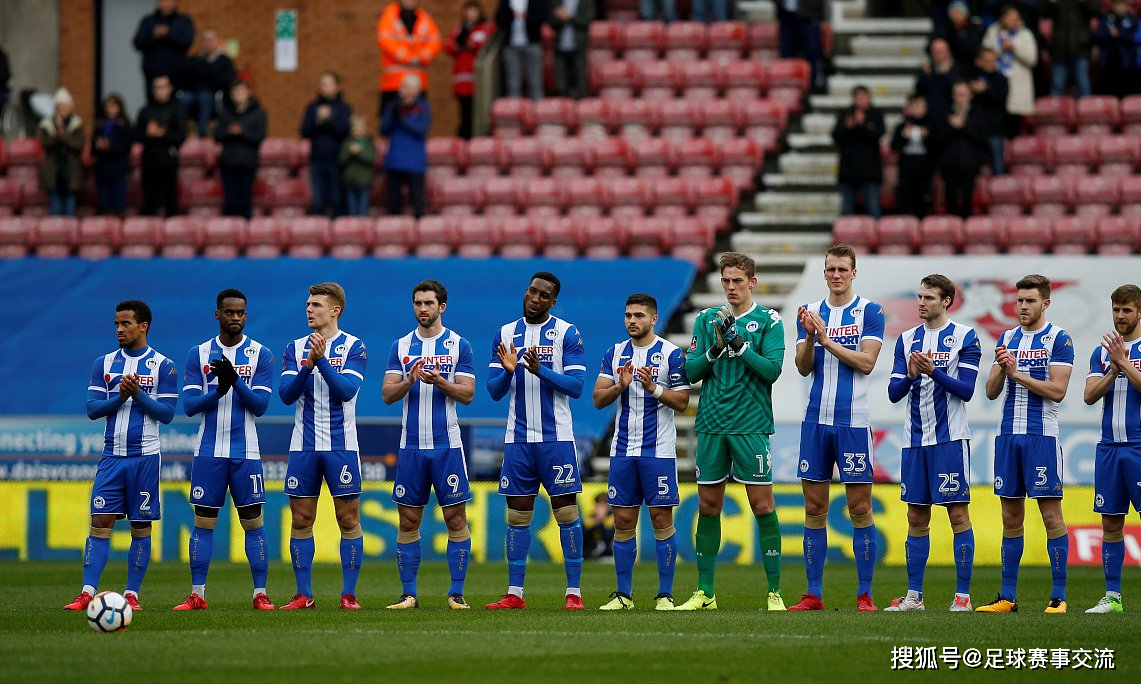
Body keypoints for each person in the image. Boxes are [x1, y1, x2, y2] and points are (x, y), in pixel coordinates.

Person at [675, 252, 786, 611]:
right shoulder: (708, 319)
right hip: (710, 424)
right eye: (726, 281)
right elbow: (690, 373)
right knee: (708, 506)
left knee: (762, 504)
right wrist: (716, 348)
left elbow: (771, 371)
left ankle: (774, 592)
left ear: (752, 282)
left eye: (738, 280)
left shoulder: (769, 320)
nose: (731, 287)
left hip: (751, 425)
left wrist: (738, 345)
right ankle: (705, 592)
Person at [787, 245, 884, 612]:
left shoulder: (870, 311)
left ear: (854, 272)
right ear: (824, 272)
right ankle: (813, 593)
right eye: (830, 269)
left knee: (859, 508)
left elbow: (867, 363)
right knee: (814, 506)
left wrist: (828, 340)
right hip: (816, 421)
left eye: (842, 269)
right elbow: (802, 366)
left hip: (853, 422)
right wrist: (812, 337)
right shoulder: (809, 313)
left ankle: (865, 594)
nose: (836, 274)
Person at [64, 300, 178, 613]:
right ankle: (87, 592)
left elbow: (167, 414)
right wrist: (121, 397)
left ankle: (132, 594)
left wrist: (138, 395)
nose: (119, 329)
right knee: (100, 522)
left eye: (126, 324)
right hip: (112, 457)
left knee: (141, 527)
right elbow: (92, 410)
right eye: (116, 324)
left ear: (143, 326)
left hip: (145, 458)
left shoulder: (163, 366)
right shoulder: (103, 364)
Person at [484, 272, 588, 610]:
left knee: (567, 512)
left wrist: (540, 369)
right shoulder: (505, 332)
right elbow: (494, 391)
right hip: (518, 440)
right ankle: (515, 593)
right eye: (532, 291)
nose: (535, 298)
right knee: (516, 517)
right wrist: (509, 370)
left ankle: (574, 593)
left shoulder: (567, 333)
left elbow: (576, 387)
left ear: (552, 302)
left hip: (556, 438)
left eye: (544, 295)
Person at [883, 275, 982, 612]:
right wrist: (911, 375)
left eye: (928, 297)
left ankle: (963, 596)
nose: (921, 302)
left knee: (957, 515)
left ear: (946, 301)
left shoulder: (965, 337)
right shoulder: (906, 339)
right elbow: (894, 393)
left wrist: (932, 371)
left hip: (950, 440)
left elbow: (967, 390)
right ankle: (914, 596)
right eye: (919, 296)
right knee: (915, 517)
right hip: (914, 441)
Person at [173, 289, 276, 612]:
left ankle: (260, 593)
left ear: (246, 315)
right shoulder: (199, 354)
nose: (235, 318)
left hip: (246, 452)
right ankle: (197, 594)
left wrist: (236, 382)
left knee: (253, 522)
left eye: (241, 313)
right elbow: (189, 406)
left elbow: (259, 406)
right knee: (203, 522)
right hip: (208, 452)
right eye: (229, 312)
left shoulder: (261, 354)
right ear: (217, 314)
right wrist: (220, 389)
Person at [977, 275, 1073, 614]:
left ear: (1045, 303)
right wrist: (1003, 370)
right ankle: (1007, 597)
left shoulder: (1058, 338)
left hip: (1041, 437)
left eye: (1029, 300)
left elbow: (1057, 390)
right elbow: (990, 392)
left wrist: (1018, 374)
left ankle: (1059, 597)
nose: (1021, 306)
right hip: (1008, 436)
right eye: (1018, 300)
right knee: (1010, 515)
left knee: (1051, 515)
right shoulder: (1006, 337)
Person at [381, 280, 477, 610]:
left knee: (455, 519)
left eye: (428, 303)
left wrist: (441, 382)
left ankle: (456, 593)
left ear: (442, 307)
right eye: (418, 303)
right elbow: (387, 395)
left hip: (447, 447)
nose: (423, 308)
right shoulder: (401, 346)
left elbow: (467, 395)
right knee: (408, 521)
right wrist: (409, 380)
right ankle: (409, 594)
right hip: (410, 447)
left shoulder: (458, 345)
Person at [593, 293, 691, 611]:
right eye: (628, 315)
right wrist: (619, 387)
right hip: (622, 449)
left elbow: (682, 401)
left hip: (658, 450)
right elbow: (597, 398)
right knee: (622, 520)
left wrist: (653, 388)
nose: (632, 321)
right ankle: (623, 595)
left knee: (662, 518)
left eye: (638, 315)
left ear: (653, 318)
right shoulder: (615, 353)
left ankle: (664, 594)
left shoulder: (671, 354)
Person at [278, 283, 369, 611]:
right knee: (301, 518)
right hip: (304, 445)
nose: (309, 309)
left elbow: (346, 390)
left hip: (341, 446)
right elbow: (286, 394)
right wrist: (308, 364)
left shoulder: (354, 347)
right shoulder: (294, 347)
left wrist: (322, 362)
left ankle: (348, 594)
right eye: (307, 304)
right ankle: (304, 594)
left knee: (348, 518)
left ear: (335, 310)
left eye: (316, 304)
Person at [1083, 285, 1141, 615]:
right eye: (1116, 309)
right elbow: (1090, 395)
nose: (1120, 316)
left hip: (1139, 447)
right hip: (1109, 449)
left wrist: (1125, 362)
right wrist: (1114, 368)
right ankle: (1113, 597)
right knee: (1111, 524)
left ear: (1139, 312)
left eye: (1127, 310)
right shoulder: (1101, 352)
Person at [376, 0, 442, 116]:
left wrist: (421, 57)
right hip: (393, 83)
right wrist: (407, 57)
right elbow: (385, 40)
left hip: (418, 82)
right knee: (389, 118)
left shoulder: (425, 18)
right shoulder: (389, 16)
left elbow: (435, 41)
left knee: (418, 118)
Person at [300, 72, 352, 218]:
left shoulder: (344, 108)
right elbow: (304, 131)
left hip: (337, 159)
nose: (324, 87)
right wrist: (318, 120)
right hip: (317, 159)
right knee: (318, 200)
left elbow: (345, 131)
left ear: (338, 87)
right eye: (322, 83)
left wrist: (329, 119)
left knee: (336, 199)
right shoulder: (313, 107)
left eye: (328, 83)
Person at [135, 75, 187, 217]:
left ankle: (172, 232)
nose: (159, 91)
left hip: (168, 158)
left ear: (169, 88)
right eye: (156, 87)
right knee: (149, 199)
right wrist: (148, 134)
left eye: (162, 87)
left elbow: (181, 136)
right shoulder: (145, 110)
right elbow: (136, 135)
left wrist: (163, 134)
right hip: (149, 158)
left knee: (170, 198)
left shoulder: (177, 110)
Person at [981, 5, 1037, 137]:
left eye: (1015, 18)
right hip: (996, 83)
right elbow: (986, 55)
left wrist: (1014, 48)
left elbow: (1032, 59)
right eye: (1009, 18)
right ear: (1002, 18)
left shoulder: (1025, 34)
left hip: (1017, 84)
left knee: (1014, 125)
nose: (1013, 21)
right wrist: (1001, 48)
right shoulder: (993, 31)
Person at [381, 74, 431, 219]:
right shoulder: (392, 106)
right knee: (393, 204)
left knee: (418, 203)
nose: (400, 89)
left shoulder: (422, 107)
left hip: (414, 162)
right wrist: (392, 118)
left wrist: (402, 120)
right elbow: (383, 129)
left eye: (405, 86)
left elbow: (422, 130)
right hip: (394, 161)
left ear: (415, 90)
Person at [214, 80, 266, 220]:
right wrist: (229, 132)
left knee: (245, 200)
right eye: (234, 92)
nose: (238, 95)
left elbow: (259, 136)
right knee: (230, 201)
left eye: (241, 91)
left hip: (247, 162)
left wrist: (242, 132)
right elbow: (217, 135)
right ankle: (229, 232)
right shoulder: (225, 113)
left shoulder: (258, 113)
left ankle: (244, 233)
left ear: (248, 93)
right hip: (228, 162)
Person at [832, 86, 885, 219]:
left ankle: (875, 239)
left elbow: (877, 135)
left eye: (864, 96)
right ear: (853, 99)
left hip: (870, 172)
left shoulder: (876, 114)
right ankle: (846, 239)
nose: (862, 100)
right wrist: (847, 128)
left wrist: (862, 125)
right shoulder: (845, 114)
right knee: (847, 211)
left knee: (874, 210)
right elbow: (836, 136)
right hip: (848, 171)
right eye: (859, 97)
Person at [937, 81, 988, 219]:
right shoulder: (944, 113)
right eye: (956, 94)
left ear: (970, 95)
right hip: (949, 166)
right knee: (950, 202)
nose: (959, 98)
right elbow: (937, 139)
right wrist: (951, 126)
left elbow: (982, 139)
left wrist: (964, 125)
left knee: (968, 202)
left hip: (969, 165)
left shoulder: (978, 113)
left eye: (962, 94)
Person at [445, 1, 496, 140]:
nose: (471, 14)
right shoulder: (459, 30)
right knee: (466, 115)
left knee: (482, 115)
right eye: (468, 11)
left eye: (473, 11)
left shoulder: (486, 28)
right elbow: (449, 47)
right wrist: (463, 40)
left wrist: (470, 43)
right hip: (463, 82)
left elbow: (486, 45)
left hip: (481, 82)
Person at [178, 28, 236, 137]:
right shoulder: (194, 60)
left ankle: (201, 131)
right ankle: (180, 131)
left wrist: (210, 67)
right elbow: (185, 80)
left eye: (211, 39)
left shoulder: (224, 61)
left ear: (217, 41)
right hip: (193, 93)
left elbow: (227, 81)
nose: (208, 43)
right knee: (185, 98)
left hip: (213, 95)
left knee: (204, 97)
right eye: (205, 40)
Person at [132, 0, 194, 101]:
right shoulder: (148, 21)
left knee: (175, 104)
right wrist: (153, 36)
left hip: (176, 74)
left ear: (175, 3)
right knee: (153, 104)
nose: (164, 3)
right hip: (152, 72)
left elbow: (187, 41)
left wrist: (169, 34)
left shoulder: (183, 21)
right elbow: (137, 43)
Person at [38, 88, 84, 217]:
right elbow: (45, 144)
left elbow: (78, 145)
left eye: (65, 107)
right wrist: (57, 136)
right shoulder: (47, 124)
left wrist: (64, 137)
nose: (62, 110)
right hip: (53, 172)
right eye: (59, 107)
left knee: (70, 211)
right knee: (56, 211)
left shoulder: (76, 124)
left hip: (71, 171)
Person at [965, 48, 1010, 175]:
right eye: (987, 61)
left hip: (995, 131)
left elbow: (1000, 98)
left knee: (998, 167)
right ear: (979, 62)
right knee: (973, 168)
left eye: (993, 61)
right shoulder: (970, 78)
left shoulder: (1001, 79)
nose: (991, 64)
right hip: (973, 131)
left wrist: (985, 90)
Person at [891, 94, 935, 218]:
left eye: (921, 106)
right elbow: (894, 147)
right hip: (906, 174)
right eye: (915, 106)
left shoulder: (931, 126)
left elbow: (938, 148)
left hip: (924, 175)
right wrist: (905, 136)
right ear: (909, 108)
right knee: (903, 208)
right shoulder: (902, 127)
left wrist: (927, 137)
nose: (918, 109)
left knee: (923, 208)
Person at [497, 0, 551, 100]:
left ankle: (537, 112)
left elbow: (544, 16)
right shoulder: (506, 1)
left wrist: (527, 16)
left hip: (532, 44)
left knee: (535, 83)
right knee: (513, 84)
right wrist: (513, 15)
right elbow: (499, 19)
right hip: (511, 46)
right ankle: (513, 112)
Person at [92, 94, 133, 217]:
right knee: (103, 205)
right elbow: (92, 151)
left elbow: (127, 148)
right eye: (107, 106)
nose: (110, 109)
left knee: (119, 207)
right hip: (102, 170)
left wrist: (110, 147)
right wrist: (98, 146)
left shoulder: (124, 125)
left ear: (120, 108)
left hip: (119, 170)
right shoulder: (99, 125)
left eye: (113, 106)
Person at [1092, 1, 1140, 99]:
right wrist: (1109, 34)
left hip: (1127, 65)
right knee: (1108, 96)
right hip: (1107, 64)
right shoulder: (1105, 19)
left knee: (1128, 96)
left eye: (1122, 5)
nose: (1120, 7)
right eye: (1117, 5)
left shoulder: (1133, 20)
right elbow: (1096, 36)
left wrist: (1119, 34)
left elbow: (1135, 38)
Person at [778, 0, 827, 90]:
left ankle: (813, 85)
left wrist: (821, 16)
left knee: (812, 53)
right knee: (786, 55)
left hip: (808, 17)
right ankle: (788, 85)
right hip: (786, 18)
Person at [550, 0, 595, 100]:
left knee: (581, 81)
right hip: (560, 46)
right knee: (561, 84)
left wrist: (568, 17)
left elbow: (587, 20)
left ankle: (583, 108)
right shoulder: (557, 2)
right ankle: (562, 109)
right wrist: (561, 18)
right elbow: (552, 21)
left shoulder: (586, 2)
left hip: (579, 46)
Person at [914, 38, 960, 126]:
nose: (939, 55)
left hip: (949, 114)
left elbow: (956, 88)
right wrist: (928, 76)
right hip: (930, 116)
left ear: (948, 52)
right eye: (936, 52)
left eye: (941, 52)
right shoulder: (927, 71)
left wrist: (947, 74)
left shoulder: (956, 69)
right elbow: (919, 89)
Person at [340, 115, 377, 217]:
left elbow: (372, 159)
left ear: (365, 129)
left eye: (360, 127)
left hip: (364, 182)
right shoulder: (347, 143)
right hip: (350, 181)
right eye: (354, 127)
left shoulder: (369, 143)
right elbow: (341, 160)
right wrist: (349, 152)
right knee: (352, 210)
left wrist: (358, 152)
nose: (357, 130)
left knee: (362, 210)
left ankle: (363, 228)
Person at [937, 1, 983, 67]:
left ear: (965, 14)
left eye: (958, 12)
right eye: (953, 12)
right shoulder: (945, 28)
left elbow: (971, 47)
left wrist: (958, 34)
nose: (955, 15)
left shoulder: (973, 28)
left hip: (970, 62)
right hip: (949, 62)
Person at [584, 491, 615, 560]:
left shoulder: (612, 518)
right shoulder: (591, 518)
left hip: (607, 555)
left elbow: (608, 538)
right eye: (597, 505)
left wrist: (601, 522)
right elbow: (583, 537)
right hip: (589, 553)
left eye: (602, 505)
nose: (599, 508)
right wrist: (594, 524)